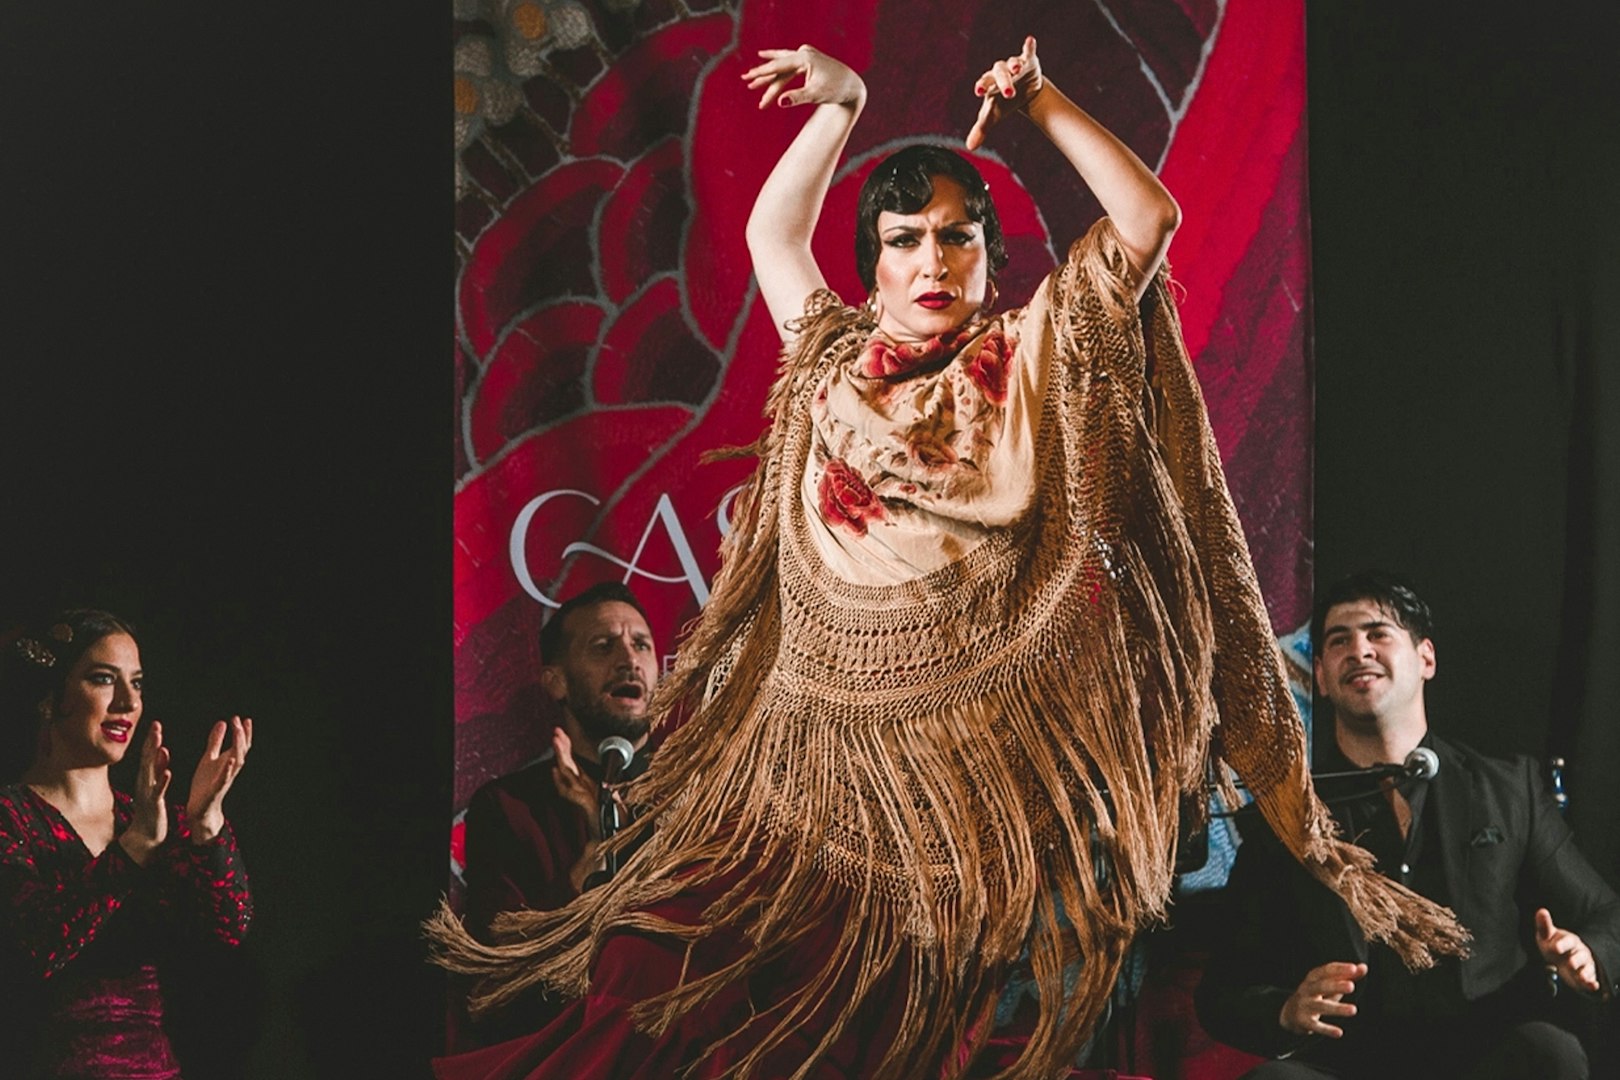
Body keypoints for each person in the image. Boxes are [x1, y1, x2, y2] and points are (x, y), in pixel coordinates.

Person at [429, 37, 1463, 1079]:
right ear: (873, 265)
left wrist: (1042, 101)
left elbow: (1148, 221)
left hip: (969, 797)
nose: (933, 261)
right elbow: (770, 232)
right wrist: (842, 105)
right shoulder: (832, 366)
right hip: (824, 776)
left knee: (914, 1043)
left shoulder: (1036, 355)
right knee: (654, 971)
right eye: (905, 239)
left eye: (958, 237)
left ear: (989, 257)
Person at [1196, 572, 1620, 1079]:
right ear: (1322, 678)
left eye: (1378, 633)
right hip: (1349, 1064)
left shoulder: (1509, 790)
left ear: (1426, 659)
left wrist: (1588, 952)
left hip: (1484, 1055)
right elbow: (1221, 992)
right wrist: (1286, 1009)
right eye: (1338, 641)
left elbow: (1606, 913)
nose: (1359, 650)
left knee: (1550, 1053)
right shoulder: (1287, 816)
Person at [0, 608, 253, 1078]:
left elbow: (229, 928)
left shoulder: (151, 817)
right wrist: (133, 848)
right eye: (103, 679)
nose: (128, 702)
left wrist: (206, 824)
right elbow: (35, 948)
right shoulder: (12, 818)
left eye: (136, 684)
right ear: (51, 697)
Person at [457, 583, 658, 1045]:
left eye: (641, 645)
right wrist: (579, 879)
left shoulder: (704, 796)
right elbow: (494, 968)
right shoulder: (510, 807)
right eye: (603, 646)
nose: (629, 660)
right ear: (556, 681)